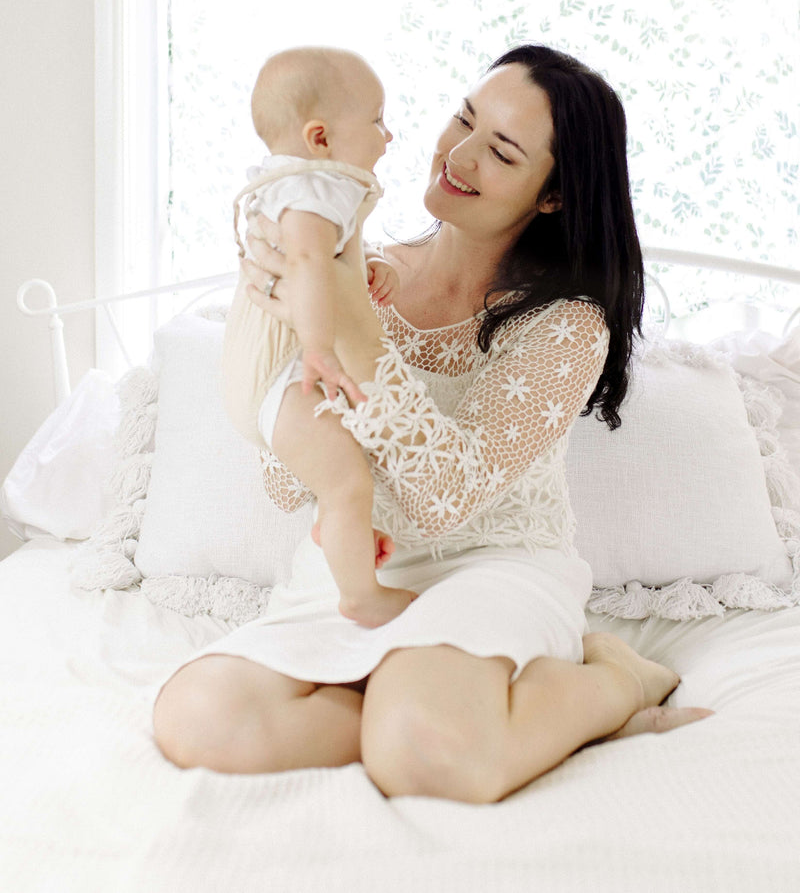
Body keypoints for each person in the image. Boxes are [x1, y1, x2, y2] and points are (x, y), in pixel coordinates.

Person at [154, 44, 712, 802]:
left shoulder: (567, 326)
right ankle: (413, 697)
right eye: (464, 118)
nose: (459, 154)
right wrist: (281, 308)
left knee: (426, 755)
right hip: (363, 570)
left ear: (551, 196)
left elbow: (445, 497)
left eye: (503, 151)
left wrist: (354, 336)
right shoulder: (356, 269)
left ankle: (614, 680)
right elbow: (289, 484)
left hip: (493, 566)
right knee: (199, 719)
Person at [223, 46, 417, 627]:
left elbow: (321, 256)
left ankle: (340, 534)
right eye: (378, 120)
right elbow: (307, 260)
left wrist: (365, 265)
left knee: (342, 483)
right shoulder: (317, 187)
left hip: (259, 373)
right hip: (285, 373)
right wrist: (318, 348)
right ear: (321, 138)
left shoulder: (292, 185)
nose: (389, 136)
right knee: (349, 485)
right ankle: (362, 596)